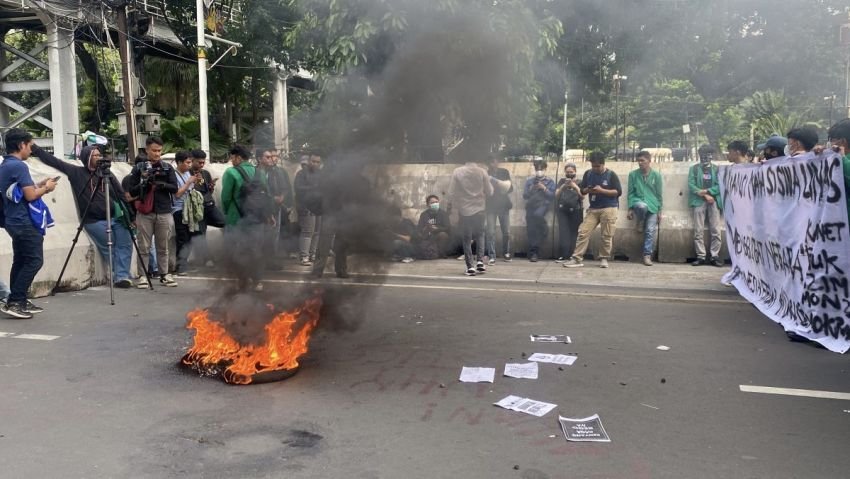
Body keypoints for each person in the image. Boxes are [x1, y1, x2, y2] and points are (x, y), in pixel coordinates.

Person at [31, 143, 135, 288]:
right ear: (87, 157)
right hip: (94, 221)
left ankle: (121, 276)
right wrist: (35, 149)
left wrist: (130, 215)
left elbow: (120, 194)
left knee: (125, 243)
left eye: (100, 155)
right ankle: (120, 276)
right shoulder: (76, 172)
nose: (99, 158)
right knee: (109, 245)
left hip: (116, 217)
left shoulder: (106, 174)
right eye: (95, 155)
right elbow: (55, 162)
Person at [0, 128, 58, 318]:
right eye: (30, 145)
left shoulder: (6, 165)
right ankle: (16, 301)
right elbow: (31, 196)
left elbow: (20, 192)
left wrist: (39, 184)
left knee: (21, 260)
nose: (31, 150)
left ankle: (18, 299)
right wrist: (47, 189)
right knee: (34, 260)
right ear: (21, 145)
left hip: (12, 220)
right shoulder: (19, 166)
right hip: (23, 221)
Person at [125, 136, 179, 287]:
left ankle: (164, 274)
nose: (157, 154)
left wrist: (161, 185)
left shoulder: (167, 168)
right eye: (154, 150)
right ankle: (143, 275)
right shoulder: (138, 168)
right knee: (144, 247)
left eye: (159, 151)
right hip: (144, 212)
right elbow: (131, 190)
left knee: (163, 246)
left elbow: (174, 188)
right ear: (147, 150)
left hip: (164, 211)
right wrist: (145, 183)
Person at [220, 145, 270, 289]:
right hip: (256, 217)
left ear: (239, 157)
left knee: (237, 249)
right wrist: (267, 214)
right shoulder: (259, 172)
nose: (231, 160)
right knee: (256, 249)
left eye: (232, 157)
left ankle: (243, 281)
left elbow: (226, 197)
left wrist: (227, 212)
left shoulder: (231, 173)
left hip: (237, 218)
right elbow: (266, 195)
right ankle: (258, 281)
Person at [563, 152, 622, 269]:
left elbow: (618, 192)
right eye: (593, 166)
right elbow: (582, 190)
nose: (595, 168)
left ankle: (604, 258)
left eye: (597, 166)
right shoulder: (588, 174)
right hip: (593, 208)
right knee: (583, 232)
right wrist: (588, 190)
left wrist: (601, 190)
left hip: (609, 207)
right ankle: (576, 258)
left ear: (603, 164)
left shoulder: (611, 175)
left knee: (606, 235)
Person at [448, 157, 493, 276]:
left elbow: (451, 192)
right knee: (480, 235)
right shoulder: (482, 171)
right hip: (480, 209)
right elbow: (490, 192)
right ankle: (480, 261)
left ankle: (470, 267)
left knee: (467, 238)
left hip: (464, 210)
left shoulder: (457, 171)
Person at [256, 147, 294, 267]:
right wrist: (272, 198)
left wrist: (282, 197)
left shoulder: (276, 172)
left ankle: (270, 260)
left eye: (273, 157)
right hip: (262, 209)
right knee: (262, 235)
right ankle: (261, 261)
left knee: (273, 235)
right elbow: (259, 192)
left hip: (275, 208)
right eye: (268, 157)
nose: (272, 159)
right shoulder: (256, 172)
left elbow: (285, 187)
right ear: (259, 159)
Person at [627, 151, 663, 266]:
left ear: (649, 161)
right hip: (638, 203)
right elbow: (630, 192)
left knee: (650, 231)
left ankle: (647, 256)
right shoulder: (633, 175)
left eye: (642, 160)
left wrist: (660, 211)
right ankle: (641, 221)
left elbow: (659, 194)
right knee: (642, 206)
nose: (640, 163)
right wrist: (630, 209)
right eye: (638, 161)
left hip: (653, 206)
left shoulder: (656, 175)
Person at [688, 145, 723, 267]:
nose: (705, 157)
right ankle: (701, 256)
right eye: (702, 154)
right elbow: (691, 185)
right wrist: (704, 195)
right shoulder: (694, 169)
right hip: (699, 201)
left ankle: (714, 256)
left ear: (711, 156)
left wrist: (708, 193)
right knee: (698, 230)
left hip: (713, 201)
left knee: (716, 230)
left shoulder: (717, 169)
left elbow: (720, 185)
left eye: (707, 154)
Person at [188, 149, 221, 267]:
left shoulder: (206, 173)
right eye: (199, 162)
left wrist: (211, 186)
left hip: (209, 206)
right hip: (197, 209)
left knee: (225, 223)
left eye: (203, 163)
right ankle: (205, 259)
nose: (201, 165)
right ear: (192, 160)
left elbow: (208, 191)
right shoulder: (188, 173)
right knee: (200, 234)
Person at [170, 151, 200, 275]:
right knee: (183, 238)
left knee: (191, 237)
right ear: (179, 162)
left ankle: (184, 263)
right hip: (179, 210)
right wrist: (188, 183)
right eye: (187, 162)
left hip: (190, 210)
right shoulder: (173, 175)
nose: (189, 165)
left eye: (190, 162)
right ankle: (180, 266)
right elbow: (176, 194)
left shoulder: (188, 173)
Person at [522, 159, 556, 262]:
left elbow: (552, 196)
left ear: (545, 169)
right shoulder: (529, 181)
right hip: (531, 206)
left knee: (537, 216)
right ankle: (533, 253)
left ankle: (544, 229)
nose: (539, 171)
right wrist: (532, 189)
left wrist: (544, 188)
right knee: (531, 230)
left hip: (543, 205)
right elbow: (525, 196)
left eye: (541, 169)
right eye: (537, 169)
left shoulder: (550, 182)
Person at [294, 153, 323, 266]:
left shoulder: (321, 174)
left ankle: (313, 254)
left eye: (317, 162)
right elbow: (298, 189)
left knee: (316, 232)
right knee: (307, 232)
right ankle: (304, 256)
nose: (315, 164)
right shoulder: (301, 174)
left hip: (318, 207)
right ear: (309, 161)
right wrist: (314, 188)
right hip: (306, 206)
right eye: (313, 161)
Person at [484, 155, 513, 264]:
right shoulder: (486, 174)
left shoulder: (504, 172)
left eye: (494, 161)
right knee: (490, 232)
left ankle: (506, 253)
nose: (493, 164)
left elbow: (510, 188)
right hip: (490, 207)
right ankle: (492, 255)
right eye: (491, 162)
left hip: (503, 206)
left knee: (506, 232)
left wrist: (498, 184)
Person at [555, 162, 583, 262]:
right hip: (562, 210)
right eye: (567, 172)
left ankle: (573, 254)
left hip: (576, 210)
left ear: (575, 171)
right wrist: (563, 186)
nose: (569, 174)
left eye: (571, 172)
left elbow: (582, 196)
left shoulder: (580, 182)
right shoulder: (561, 181)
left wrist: (574, 186)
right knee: (563, 232)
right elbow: (556, 195)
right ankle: (563, 255)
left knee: (574, 233)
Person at [826, 118, 850, 223]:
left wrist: (843, 159)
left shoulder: (843, 161)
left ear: (843, 141)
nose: (830, 143)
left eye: (832, 139)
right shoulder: (834, 159)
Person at [416, 195, 452, 260]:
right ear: (427, 205)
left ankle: (441, 252)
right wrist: (426, 229)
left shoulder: (443, 214)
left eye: (436, 202)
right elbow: (419, 228)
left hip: (438, 235)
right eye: (432, 203)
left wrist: (437, 229)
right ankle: (431, 253)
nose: (435, 204)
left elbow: (448, 227)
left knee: (443, 235)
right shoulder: (424, 214)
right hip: (427, 236)